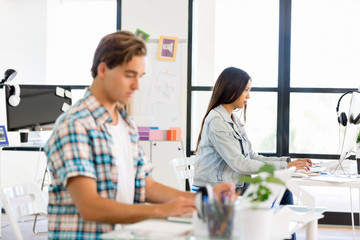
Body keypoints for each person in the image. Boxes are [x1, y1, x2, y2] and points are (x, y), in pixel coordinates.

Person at [44, 31, 234, 239]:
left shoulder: (125, 123)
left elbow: (146, 184)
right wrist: (162, 211)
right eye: (129, 75)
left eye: (140, 77)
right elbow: (89, 206)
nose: (137, 86)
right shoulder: (75, 125)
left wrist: (202, 199)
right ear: (103, 69)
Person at [192, 66, 312, 196]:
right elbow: (240, 164)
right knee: (283, 192)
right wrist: (285, 167)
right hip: (215, 190)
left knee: (282, 190)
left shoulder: (233, 119)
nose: (248, 96)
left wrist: (287, 163)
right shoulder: (217, 121)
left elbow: (252, 156)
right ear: (232, 89)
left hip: (236, 185)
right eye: (245, 90)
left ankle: (270, 217)